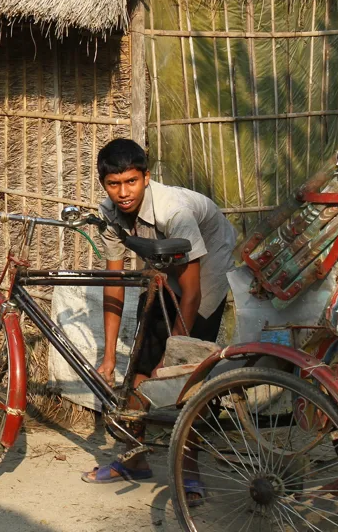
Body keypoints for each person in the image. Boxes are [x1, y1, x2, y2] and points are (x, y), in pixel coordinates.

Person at [81, 138, 236, 503]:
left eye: (131, 181)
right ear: (104, 184)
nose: (123, 192)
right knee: (141, 360)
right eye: (114, 184)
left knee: (187, 376)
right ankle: (134, 458)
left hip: (207, 262)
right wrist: (107, 358)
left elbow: (192, 292)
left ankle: (189, 467)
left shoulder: (174, 211)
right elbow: (114, 283)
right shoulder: (110, 213)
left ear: (146, 177)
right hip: (164, 260)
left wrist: (174, 356)